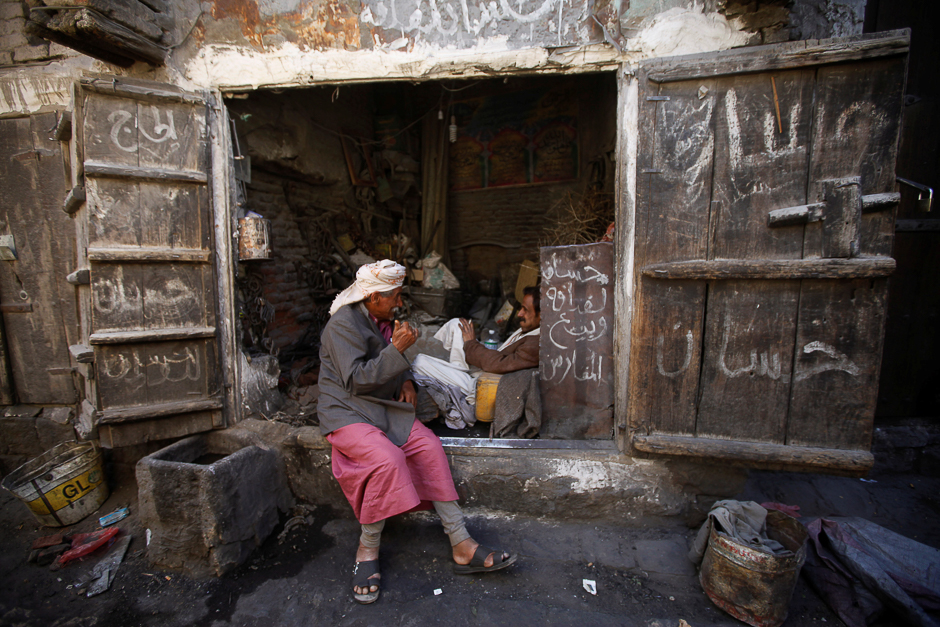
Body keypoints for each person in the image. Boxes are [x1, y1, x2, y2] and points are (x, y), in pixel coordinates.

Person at [318, 260, 517, 605]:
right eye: (393, 296)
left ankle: (460, 542)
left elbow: (389, 364)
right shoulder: (342, 326)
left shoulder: (380, 319)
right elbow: (356, 380)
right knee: (387, 459)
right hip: (346, 411)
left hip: (381, 408)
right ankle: (368, 547)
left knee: (428, 446)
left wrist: (406, 378)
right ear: (373, 296)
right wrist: (397, 350)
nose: (399, 302)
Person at [412, 285, 541, 428]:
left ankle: (458, 382)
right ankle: (457, 373)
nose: (520, 314)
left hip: (481, 386)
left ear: (542, 315)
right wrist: (473, 345)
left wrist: (472, 344)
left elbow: (498, 364)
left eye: (526, 310)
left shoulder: (536, 344)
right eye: (521, 308)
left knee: (419, 362)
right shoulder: (531, 330)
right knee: (458, 325)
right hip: (483, 371)